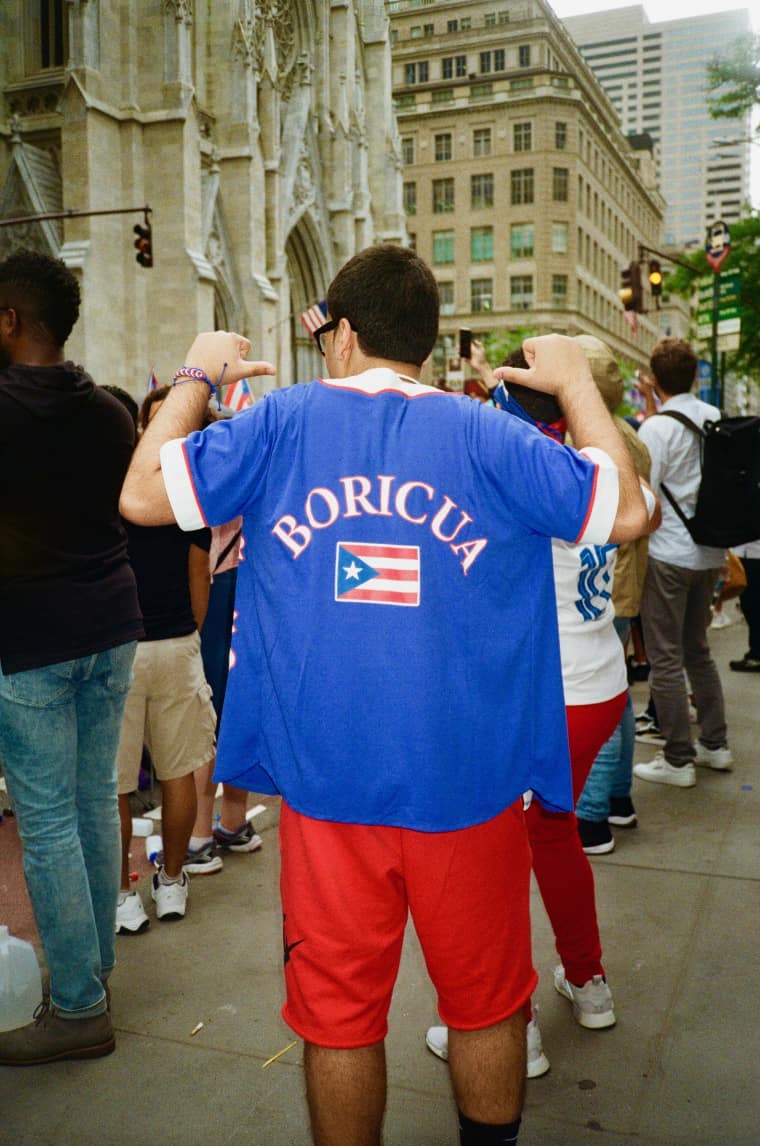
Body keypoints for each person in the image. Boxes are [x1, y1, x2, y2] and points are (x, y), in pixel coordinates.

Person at [120, 244, 648, 1146]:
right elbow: (626, 509)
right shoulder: (488, 432)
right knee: (485, 1007)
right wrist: (573, 382)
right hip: (471, 786)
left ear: (345, 334)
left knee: (339, 1019)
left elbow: (141, 492)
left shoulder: (281, 422)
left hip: (331, 791)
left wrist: (196, 373)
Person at [425, 337, 657, 1077]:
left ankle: (512, 1024)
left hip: (533, 701)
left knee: (498, 859)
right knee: (554, 840)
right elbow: (637, 508)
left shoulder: (521, 472)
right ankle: (587, 981)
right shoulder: (602, 472)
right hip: (597, 689)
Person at [0, 249, 143, 1064]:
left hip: (35, 639)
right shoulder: (110, 413)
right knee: (92, 800)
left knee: (48, 820)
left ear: (13, 320)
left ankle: (81, 1004)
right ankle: (95, 970)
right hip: (109, 622)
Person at [115, 387, 217, 931]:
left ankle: (121, 897)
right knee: (179, 774)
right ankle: (173, 881)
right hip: (176, 644)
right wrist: (187, 634)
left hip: (119, 645)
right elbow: (197, 581)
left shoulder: (117, 492)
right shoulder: (189, 497)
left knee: (116, 784)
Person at [633, 338, 733, 788]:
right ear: (696, 376)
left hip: (669, 555)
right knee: (698, 651)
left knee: (666, 657)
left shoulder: (656, 430)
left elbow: (644, 497)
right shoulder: (716, 420)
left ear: (654, 380)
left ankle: (678, 759)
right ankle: (715, 744)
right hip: (709, 553)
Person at [729, 540, 760, 671]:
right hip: (749, 551)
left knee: (752, 605)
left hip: (753, 553)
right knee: (751, 605)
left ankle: (756, 655)